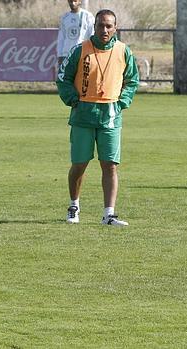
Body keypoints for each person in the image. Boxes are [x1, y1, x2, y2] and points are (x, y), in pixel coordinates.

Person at [56, 9, 139, 226]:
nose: (105, 29)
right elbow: (62, 77)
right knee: (79, 164)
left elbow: (132, 80)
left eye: (109, 26)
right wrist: (73, 99)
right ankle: (74, 205)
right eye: (101, 25)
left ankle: (108, 214)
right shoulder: (80, 50)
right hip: (83, 113)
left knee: (110, 164)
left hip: (110, 114)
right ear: (94, 26)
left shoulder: (123, 51)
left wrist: (122, 102)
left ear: (115, 28)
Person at [56, 0, 95, 67]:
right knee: (68, 77)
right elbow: (61, 38)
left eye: (75, 1)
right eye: (70, 1)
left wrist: (91, 53)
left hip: (83, 54)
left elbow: (92, 36)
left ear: (80, 1)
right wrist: (60, 55)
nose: (73, 3)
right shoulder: (65, 17)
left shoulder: (88, 16)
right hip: (67, 55)